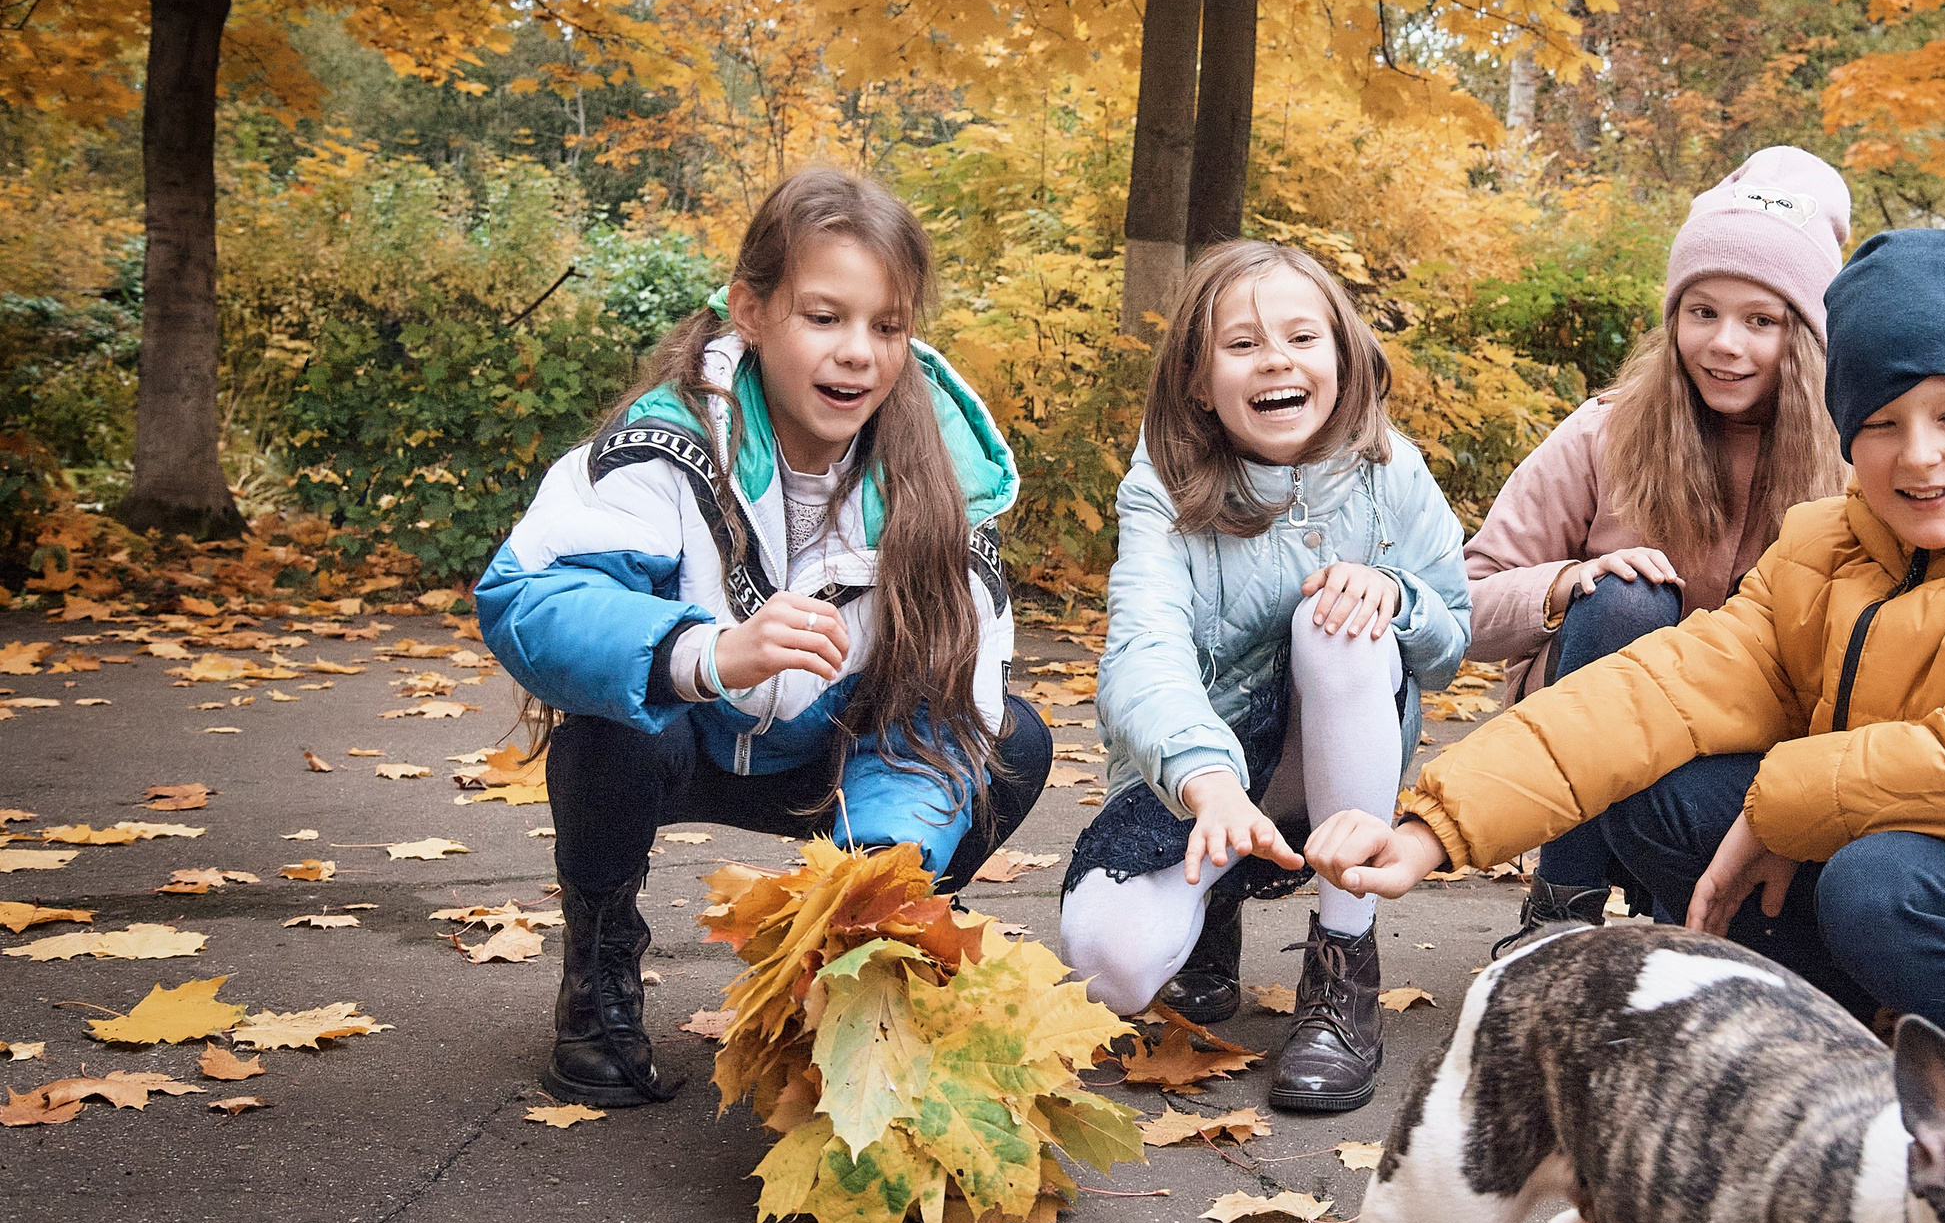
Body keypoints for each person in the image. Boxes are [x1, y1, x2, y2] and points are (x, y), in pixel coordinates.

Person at [1305, 228, 1945, 1084]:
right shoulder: (1825, 547)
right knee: (1657, 789)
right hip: (1932, 863)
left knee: (1881, 885)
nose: (1918, 455)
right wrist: (1430, 828)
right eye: (1881, 422)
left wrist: (1784, 802)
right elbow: (1646, 694)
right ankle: (1864, 1038)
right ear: (1847, 433)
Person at [477, 169, 1052, 1108]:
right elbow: (531, 597)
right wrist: (706, 652)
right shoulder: (666, 443)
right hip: (688, 738)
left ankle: (875, 963)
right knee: (608, 724)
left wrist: (870, 897)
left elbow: (947, 715)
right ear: (750, 311)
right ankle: (599, 968)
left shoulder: (944, 483)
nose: (857, 352)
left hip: (836, 753)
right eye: (824, 317)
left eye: (887, 326)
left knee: (1012, 739)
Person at [1058, 239, 1470, 1113]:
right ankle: (1208, 913)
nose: (1277, 359)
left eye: (1301, 337)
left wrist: (1397, 596)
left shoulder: (1391, 471)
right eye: (1242, 344)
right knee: (1109, 967)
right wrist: (1206, 783)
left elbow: (1449, 642)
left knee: (1339, 620)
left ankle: (1342, 966)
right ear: (1198, 381)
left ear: (1342, 355)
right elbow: (1143, 652)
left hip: (1329, 759)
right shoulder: (1163, 489)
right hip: (1206, 775)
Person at [1463, 147, 1850, 949]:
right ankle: (1562, 906)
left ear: (1807, 335)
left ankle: (1694, 917)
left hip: (1735, 763)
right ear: (1674, 317)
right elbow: (1460, 604)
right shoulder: (1607, 432)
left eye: (1761, 320)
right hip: (1590, 742)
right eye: (1702, 312)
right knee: (1627, 598)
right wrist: (1565, 584)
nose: (1725, 344)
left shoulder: (1850, 464)